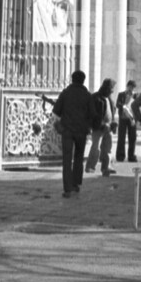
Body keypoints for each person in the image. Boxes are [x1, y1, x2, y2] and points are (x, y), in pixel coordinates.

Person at [52, 69, 91, 198]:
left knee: (67, 159)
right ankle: (76, 183)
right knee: (79, 158)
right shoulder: (87, 95)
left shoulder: (66, 93)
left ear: (72, 79)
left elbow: (56, 111)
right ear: (83, 80)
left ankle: (67, 187)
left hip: (67, 130)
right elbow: (93, 113)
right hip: (81, 131)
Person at [85, 78, 117, 177]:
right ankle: (90, 166)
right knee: (96, 147)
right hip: (98, 127)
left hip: (108, 127)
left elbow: (112, 111)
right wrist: (102, 124)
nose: (112, 91)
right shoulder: (95, 98)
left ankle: (106, 167)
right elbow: (93, 115)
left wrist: (113, 123)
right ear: (105, 88)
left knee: (108, 148)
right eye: (110, 89)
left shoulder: (109, 99)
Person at [115, 79, 139, 163]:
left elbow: (138, 106)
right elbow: (117, 104)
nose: (131, 89)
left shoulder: (136, 96)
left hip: (132, 118)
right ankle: (120, 156)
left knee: (132, 138)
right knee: (121, 137)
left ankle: (131, 156)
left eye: (133, 87)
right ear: (127, 86)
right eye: (130, 87)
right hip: (123, 118)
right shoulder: (121, 94)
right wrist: (123, 107)